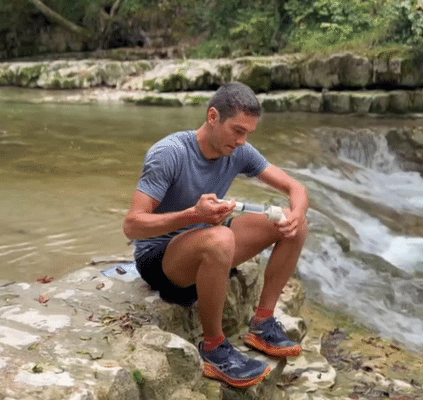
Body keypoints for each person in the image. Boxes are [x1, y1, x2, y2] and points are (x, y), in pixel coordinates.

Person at [123, 82, 309, 389]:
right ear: (213, 117)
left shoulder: (238, 150)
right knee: (220, 238)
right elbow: (132, 225)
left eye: (248, 132)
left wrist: (297, 213)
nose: (242, 141)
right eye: (237, 130)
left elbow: (296, 188)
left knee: (295, 224)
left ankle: (262, 324)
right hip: (162, 261)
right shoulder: (169, 153)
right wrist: (193, 215)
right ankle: (213, 349)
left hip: (208, 242)